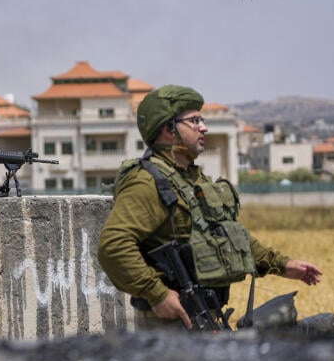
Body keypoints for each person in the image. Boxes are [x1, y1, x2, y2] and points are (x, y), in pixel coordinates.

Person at [97, 85, 321, 330]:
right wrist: (157, 294)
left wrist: (283, 264)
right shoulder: (146, 182)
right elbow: (113, 246)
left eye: (201, 119)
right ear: (168, 129)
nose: (203, 127)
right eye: (194, 121)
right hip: (170, 323)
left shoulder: (194, 179)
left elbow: (230, 238)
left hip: (207, 314)